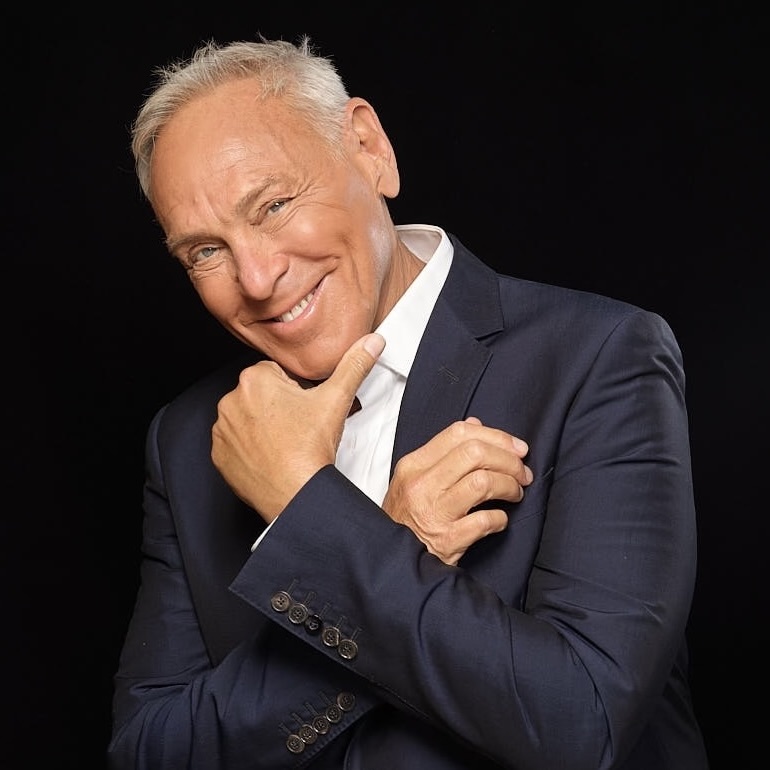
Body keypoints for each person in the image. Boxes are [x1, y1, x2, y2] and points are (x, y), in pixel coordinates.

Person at [108, 35, 709, 770]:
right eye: (205, 251)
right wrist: (391, 543)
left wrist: (307, 509)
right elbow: (150, 753)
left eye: (273, 205)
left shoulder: (598, 357)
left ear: (369, 149)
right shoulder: (187, 438)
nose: (257, 279)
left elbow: (583, 725)